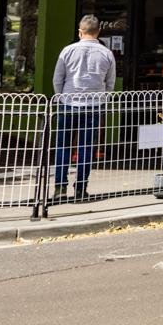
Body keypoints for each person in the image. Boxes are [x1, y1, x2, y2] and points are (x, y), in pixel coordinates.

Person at [52, 14, 116, 199]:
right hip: (94, 105)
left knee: (63, 146)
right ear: (98, 32)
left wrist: (61, 97)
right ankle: (81, 188)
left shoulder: (67, 51)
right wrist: (104, 99)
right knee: (86, 148)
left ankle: (60, 188)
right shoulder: (107, 53)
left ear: (80, 32)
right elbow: (110, 82)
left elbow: (58, 78)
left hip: (69, 103)